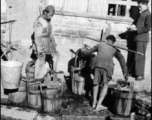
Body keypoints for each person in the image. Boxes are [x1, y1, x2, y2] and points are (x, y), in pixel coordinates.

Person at [81, 35, 128, 111]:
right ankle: (98, 105)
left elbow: (87, 52)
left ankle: (93, 103)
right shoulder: (115, 49)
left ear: (106, 40)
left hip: (97, 65)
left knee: (95, 83)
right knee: (105, 85)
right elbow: (121, 59)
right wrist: (125, 73)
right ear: (113, 42)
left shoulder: (100, 45)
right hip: (107, 67)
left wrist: (83, 49)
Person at [128, 0, 151, 81]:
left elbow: (147, 28)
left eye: (140, 6)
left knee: (140, 56)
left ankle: (140, 75)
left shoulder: (148, 15)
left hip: (142, 38)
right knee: (136, 56)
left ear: (145, 5)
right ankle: (135, 73)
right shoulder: (142, 14)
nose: (139, 8)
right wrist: (132, 28)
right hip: (138, 38)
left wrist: (136, 29)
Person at [33, 5, 59, 71]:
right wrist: (39, 49)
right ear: (45, 12)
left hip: (49, 43)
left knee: (56, 56)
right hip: (42, 43)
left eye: (52, 15)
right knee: (41, 60)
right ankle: (38, 78)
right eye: (50, 15)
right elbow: (37, 37)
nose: (51, 17)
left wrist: (54, 42)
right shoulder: (40, 21)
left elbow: (51, 32)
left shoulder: (48, 19)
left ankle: (52, 74)